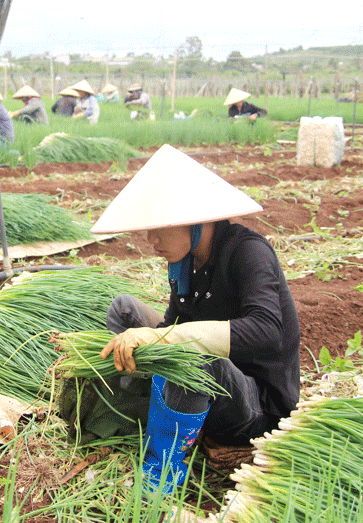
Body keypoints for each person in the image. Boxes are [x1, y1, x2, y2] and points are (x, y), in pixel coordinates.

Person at [87, 144, 300, 493]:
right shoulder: (184, 265)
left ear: (194, 220)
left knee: (193, 359)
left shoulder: (248, 252)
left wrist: (166, 339)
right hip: (214, 378)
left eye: (159, 228)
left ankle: (162, 470)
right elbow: (173, 323)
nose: (150, 240)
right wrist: (153, 338)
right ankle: (154, 402)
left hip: (256, 404)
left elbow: (267, 330)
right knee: (124, 310)